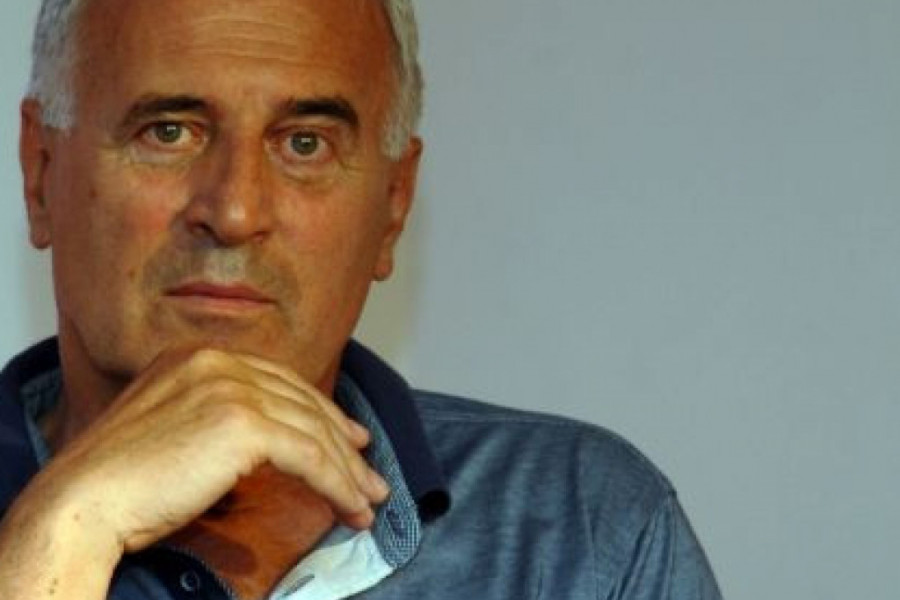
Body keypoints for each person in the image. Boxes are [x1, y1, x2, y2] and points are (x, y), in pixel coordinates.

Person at [0, 0, 722, 598]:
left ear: (394, 206)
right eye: (169, 132)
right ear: (39, 173)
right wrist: (60, 535)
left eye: (304, 144)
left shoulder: (585, 532)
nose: (235, 211)